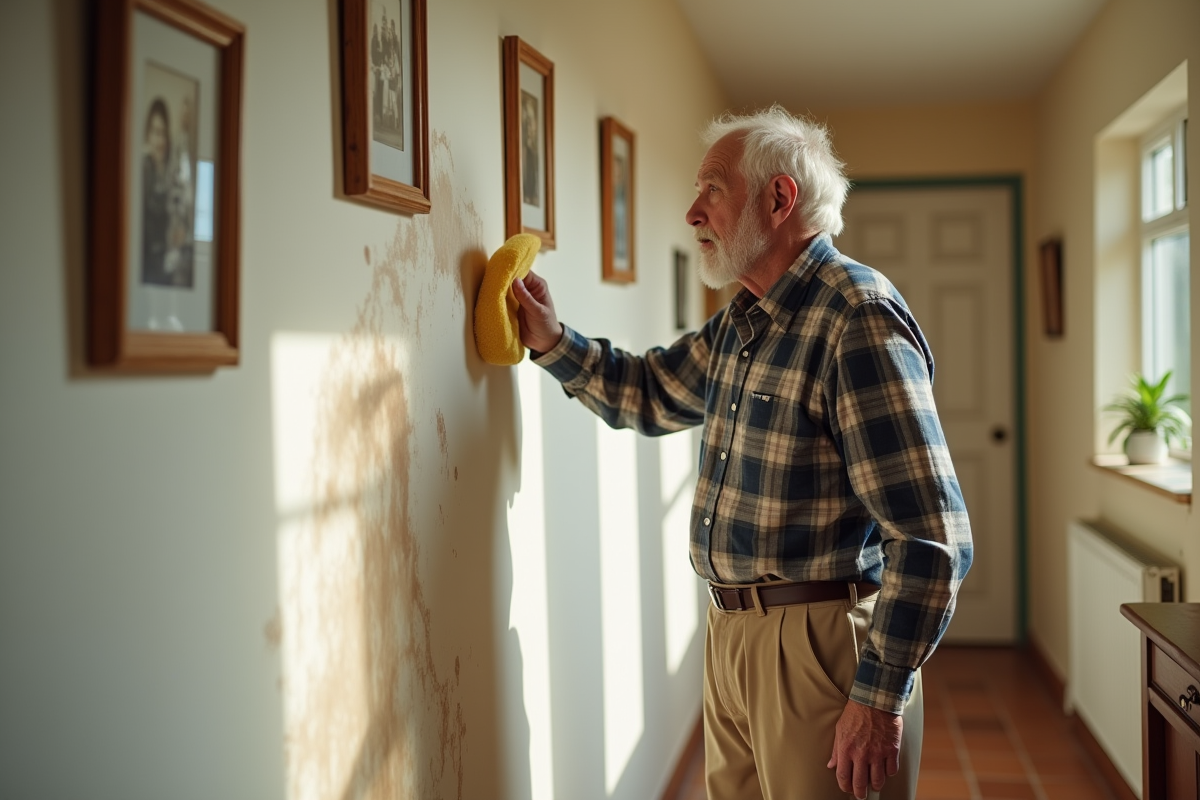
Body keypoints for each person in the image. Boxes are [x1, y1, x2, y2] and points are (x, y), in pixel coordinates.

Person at [513, 106, 972, 800]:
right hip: (729, 632)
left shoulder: (856, 315)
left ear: (779, 199)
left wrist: (878, 698)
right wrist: (551, 341)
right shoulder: (742, 320)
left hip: (819, 645)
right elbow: (650, 390)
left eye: (713, 189)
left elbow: (932, 537)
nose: (693, 211)